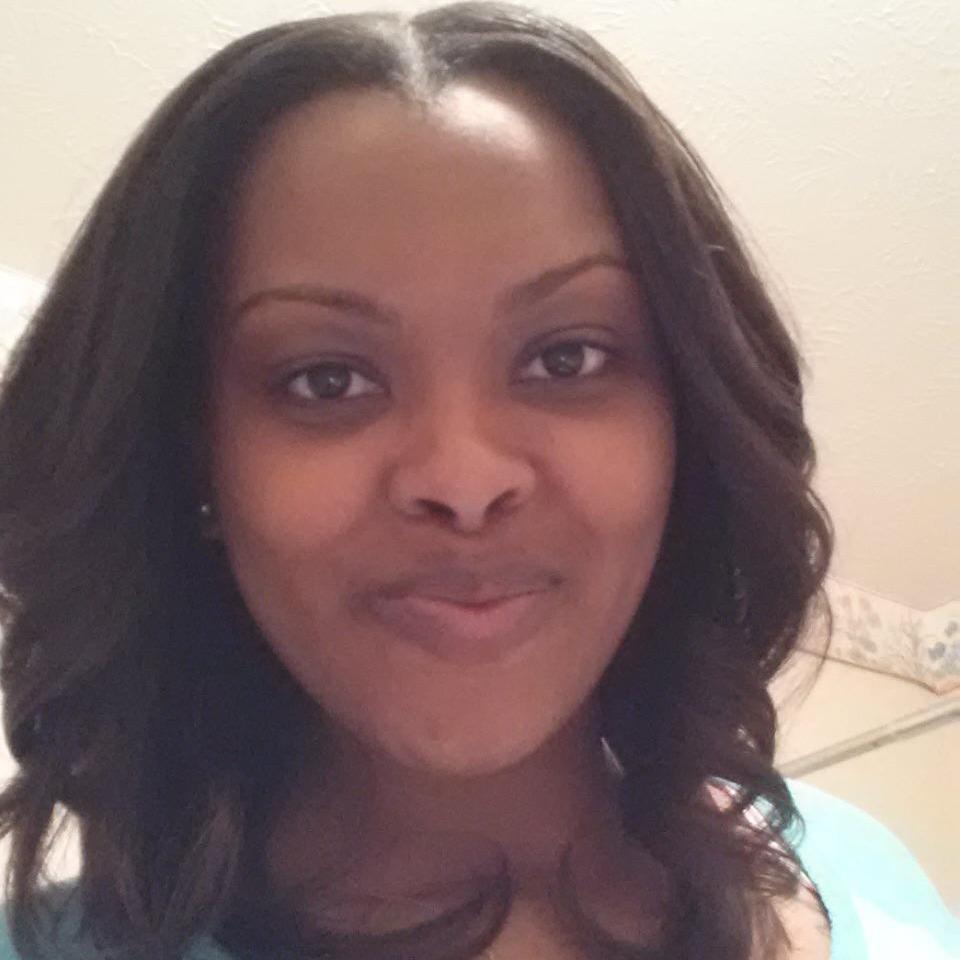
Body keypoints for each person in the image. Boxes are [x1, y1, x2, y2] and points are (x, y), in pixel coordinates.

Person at [0, 3, 956, 959]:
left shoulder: (868, 876)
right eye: (327, 380)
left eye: (567, 358)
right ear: (196, 456)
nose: (463, 480)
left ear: (686, 424)